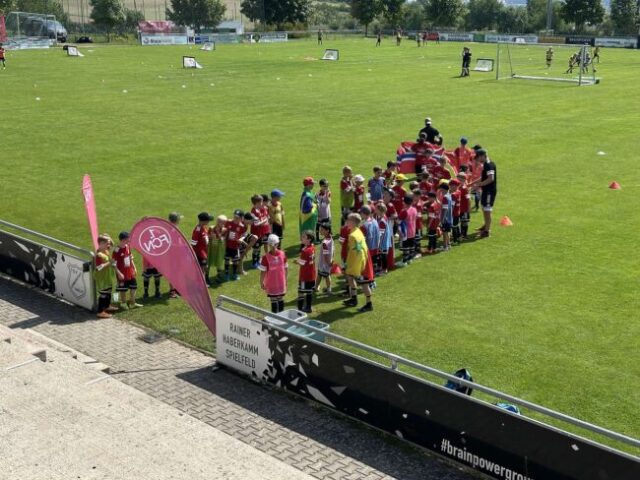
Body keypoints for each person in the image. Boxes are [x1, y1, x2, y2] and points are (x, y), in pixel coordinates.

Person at [343, 213, 374, 312]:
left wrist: (351, 266)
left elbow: (355, 253)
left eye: (348, 220)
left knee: (364, 284)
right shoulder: (357, 231)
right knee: (350, 277)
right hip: (362, 259)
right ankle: (354, 299)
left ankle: (369, 304)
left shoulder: (353, 235)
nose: (346, 221)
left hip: (361, 262)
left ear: (353, 222)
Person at [113, 231, 142, 309]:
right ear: (123, 240)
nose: (129, 241)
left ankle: (133, 302)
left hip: (130, 271)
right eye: (128, 239)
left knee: (134, 286)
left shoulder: (128, 246)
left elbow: (130, 257)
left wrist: (134, 267)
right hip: (122, 273)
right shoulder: (116, 250)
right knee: (123, 289)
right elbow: (113, 264)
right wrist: (119, 273)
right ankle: (123, 303)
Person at [259, 234, 288, 314]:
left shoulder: (265, 257)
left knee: (273, 300)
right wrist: (285, 279)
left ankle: (275, 316)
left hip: (271, 283)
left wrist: (261, 282)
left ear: (268, 244)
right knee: (280, 298)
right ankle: (282, 316)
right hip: (281, 282)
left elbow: (263, 272)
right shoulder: (283, 254)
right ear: (278, 243)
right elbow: (286, 268)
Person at [472, 149, 497, 238]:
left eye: (478, 157)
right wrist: (472, 183)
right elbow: (483, 177)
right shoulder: (486, 164)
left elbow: (491, 178)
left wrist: (479, 185)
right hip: (486, 190)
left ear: (483, 156)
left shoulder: (489, 165)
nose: (477, 159)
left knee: (487, 210)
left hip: (489, 191)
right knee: (483, 208)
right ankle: (486, 225)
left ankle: (487, 231)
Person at [94, 234, 116, 318]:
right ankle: (100, 312)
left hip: (107, 277)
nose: (109, 245)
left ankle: (107, 306)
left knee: (109, 291)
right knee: (103, 294)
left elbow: (113, 244)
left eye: (109, 243)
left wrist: (108, 237)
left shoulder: (105, 251)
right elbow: (98, 268)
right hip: (102, 279)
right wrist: (109, 263)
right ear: (101, 243)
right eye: (107, 243)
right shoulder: (99, 255)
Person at [296, 231, 316, 313]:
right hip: (311, 274)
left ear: (309, 239)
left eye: (304, 237)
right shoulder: (312, 247)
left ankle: (301, 308)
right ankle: (308, 306)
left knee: (301, 291)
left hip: (305, 276)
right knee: (309, 291)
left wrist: (296, 261)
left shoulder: (305, 251)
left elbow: (302, 263)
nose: (302, 238)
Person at [249, 194, 270, 268]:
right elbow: (257, 224)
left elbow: (265, 215)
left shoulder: (261, 209)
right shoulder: (253, 212)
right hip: (256, 233)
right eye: (261, 202)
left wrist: (265, 218)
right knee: (256, 248)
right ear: (257, 203)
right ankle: (254, 262)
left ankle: (257, 261)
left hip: (261, 233)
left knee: (259, 248)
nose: (262, 203)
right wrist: (265, 220)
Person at [191, 212, 213, 284]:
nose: (209, 221)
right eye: (208, 220)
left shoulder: (203, 227)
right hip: (200, 254)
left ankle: (205, 279)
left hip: (205, 252)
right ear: (204, 221)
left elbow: (205, 237)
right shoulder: (197, 230)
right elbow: (193, 243)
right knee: (202, 269)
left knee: (205, 267)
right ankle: (202, 284)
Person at [224, 210, 246, 281]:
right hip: (227, 245)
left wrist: (241, 239)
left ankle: (234, 274)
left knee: (235, 260)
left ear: (241, 218)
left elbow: (244, 235)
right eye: (234, 217)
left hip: (235, 246)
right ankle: (226, 274)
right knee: (227, 260)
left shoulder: (242, 226)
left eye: (237, 217)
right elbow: (224, 231)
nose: (235, 218)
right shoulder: (228, 222)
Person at [359, 205, 380, 277]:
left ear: (363, 213)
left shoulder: (364, 225)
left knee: (368, 265)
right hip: (376, 246)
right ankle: (374, 273)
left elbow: (362, 240)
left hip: (368, 248)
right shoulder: (375, 221)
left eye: (361, 213)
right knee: (374, 262)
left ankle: (369, 277)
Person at [166, 212, 183, 298]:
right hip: (173, 254)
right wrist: (179, 247)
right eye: (179, 219)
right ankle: (172, 290)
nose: (180, 220)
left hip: (177, 253)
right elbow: (169, 243)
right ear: (176, 220)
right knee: (173, 272)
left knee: (178, 271)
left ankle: (176, 288)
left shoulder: (174, 227)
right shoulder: (171, 229)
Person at [397, 195, 417, 265]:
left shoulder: (404, 211)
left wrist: (399, 232)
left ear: (404, 202)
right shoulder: (414, 209)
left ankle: (404, 261)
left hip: (405, 232)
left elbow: (398, 222)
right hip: (413, 231)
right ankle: (410, 259)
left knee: (405, 247)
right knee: (411, 246)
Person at [208, 214, 228, 284]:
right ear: (217, 221)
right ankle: (206, 276)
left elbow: (223, 238)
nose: (223, 224)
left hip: (220, 248)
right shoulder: (211, 228)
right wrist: (211, 236)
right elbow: (208, 236)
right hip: (211, 248)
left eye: (224, 223)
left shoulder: (225, 230)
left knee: (219, 262)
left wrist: (219, 236)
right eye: (222, 222)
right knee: (208, 262)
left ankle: (219, 276)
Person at [375, 203, 393, 274]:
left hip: (383, 241)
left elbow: (381, 234)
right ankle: (380, 267)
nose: (375, 211)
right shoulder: (383, 217)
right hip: (384, 240)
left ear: (380, 210)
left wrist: (378, 243)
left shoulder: (382, 221)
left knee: (383, 255)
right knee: (381, 255)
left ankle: (384, 269)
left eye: (376, 209)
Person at [316, 222, 334, 294]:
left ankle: (329, 289)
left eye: (322, 230)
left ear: (327, 230)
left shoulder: (325, 243)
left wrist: (328, 262)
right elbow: (333, 250)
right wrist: (332, 259)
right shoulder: (331, 239)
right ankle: (316, 287)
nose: (320, 231)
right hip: (327, 261)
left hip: (324, 263)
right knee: (319, 274)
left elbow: (325, 254)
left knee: (326, 276)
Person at [457, 172, 471, 239]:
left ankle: (464, 235)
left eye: (459, 179)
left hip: (464, 209)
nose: (458, 180)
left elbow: (468, 199)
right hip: (458, 208)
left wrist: (468, 209)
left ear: (463, 180)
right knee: (458, 222)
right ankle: (460, 234)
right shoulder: (458, 187)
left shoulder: (465, 188)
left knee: (464, 222)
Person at [449, 179, 462, 244]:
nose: (450, 187)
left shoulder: (453, 195)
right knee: (456, 225)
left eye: (451, 185)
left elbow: (452, 205)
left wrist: (449, 213)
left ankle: (455, 240)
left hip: (454, 213)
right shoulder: (459, 191)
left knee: (453, 227)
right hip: (458, 211)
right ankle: (459, 237)